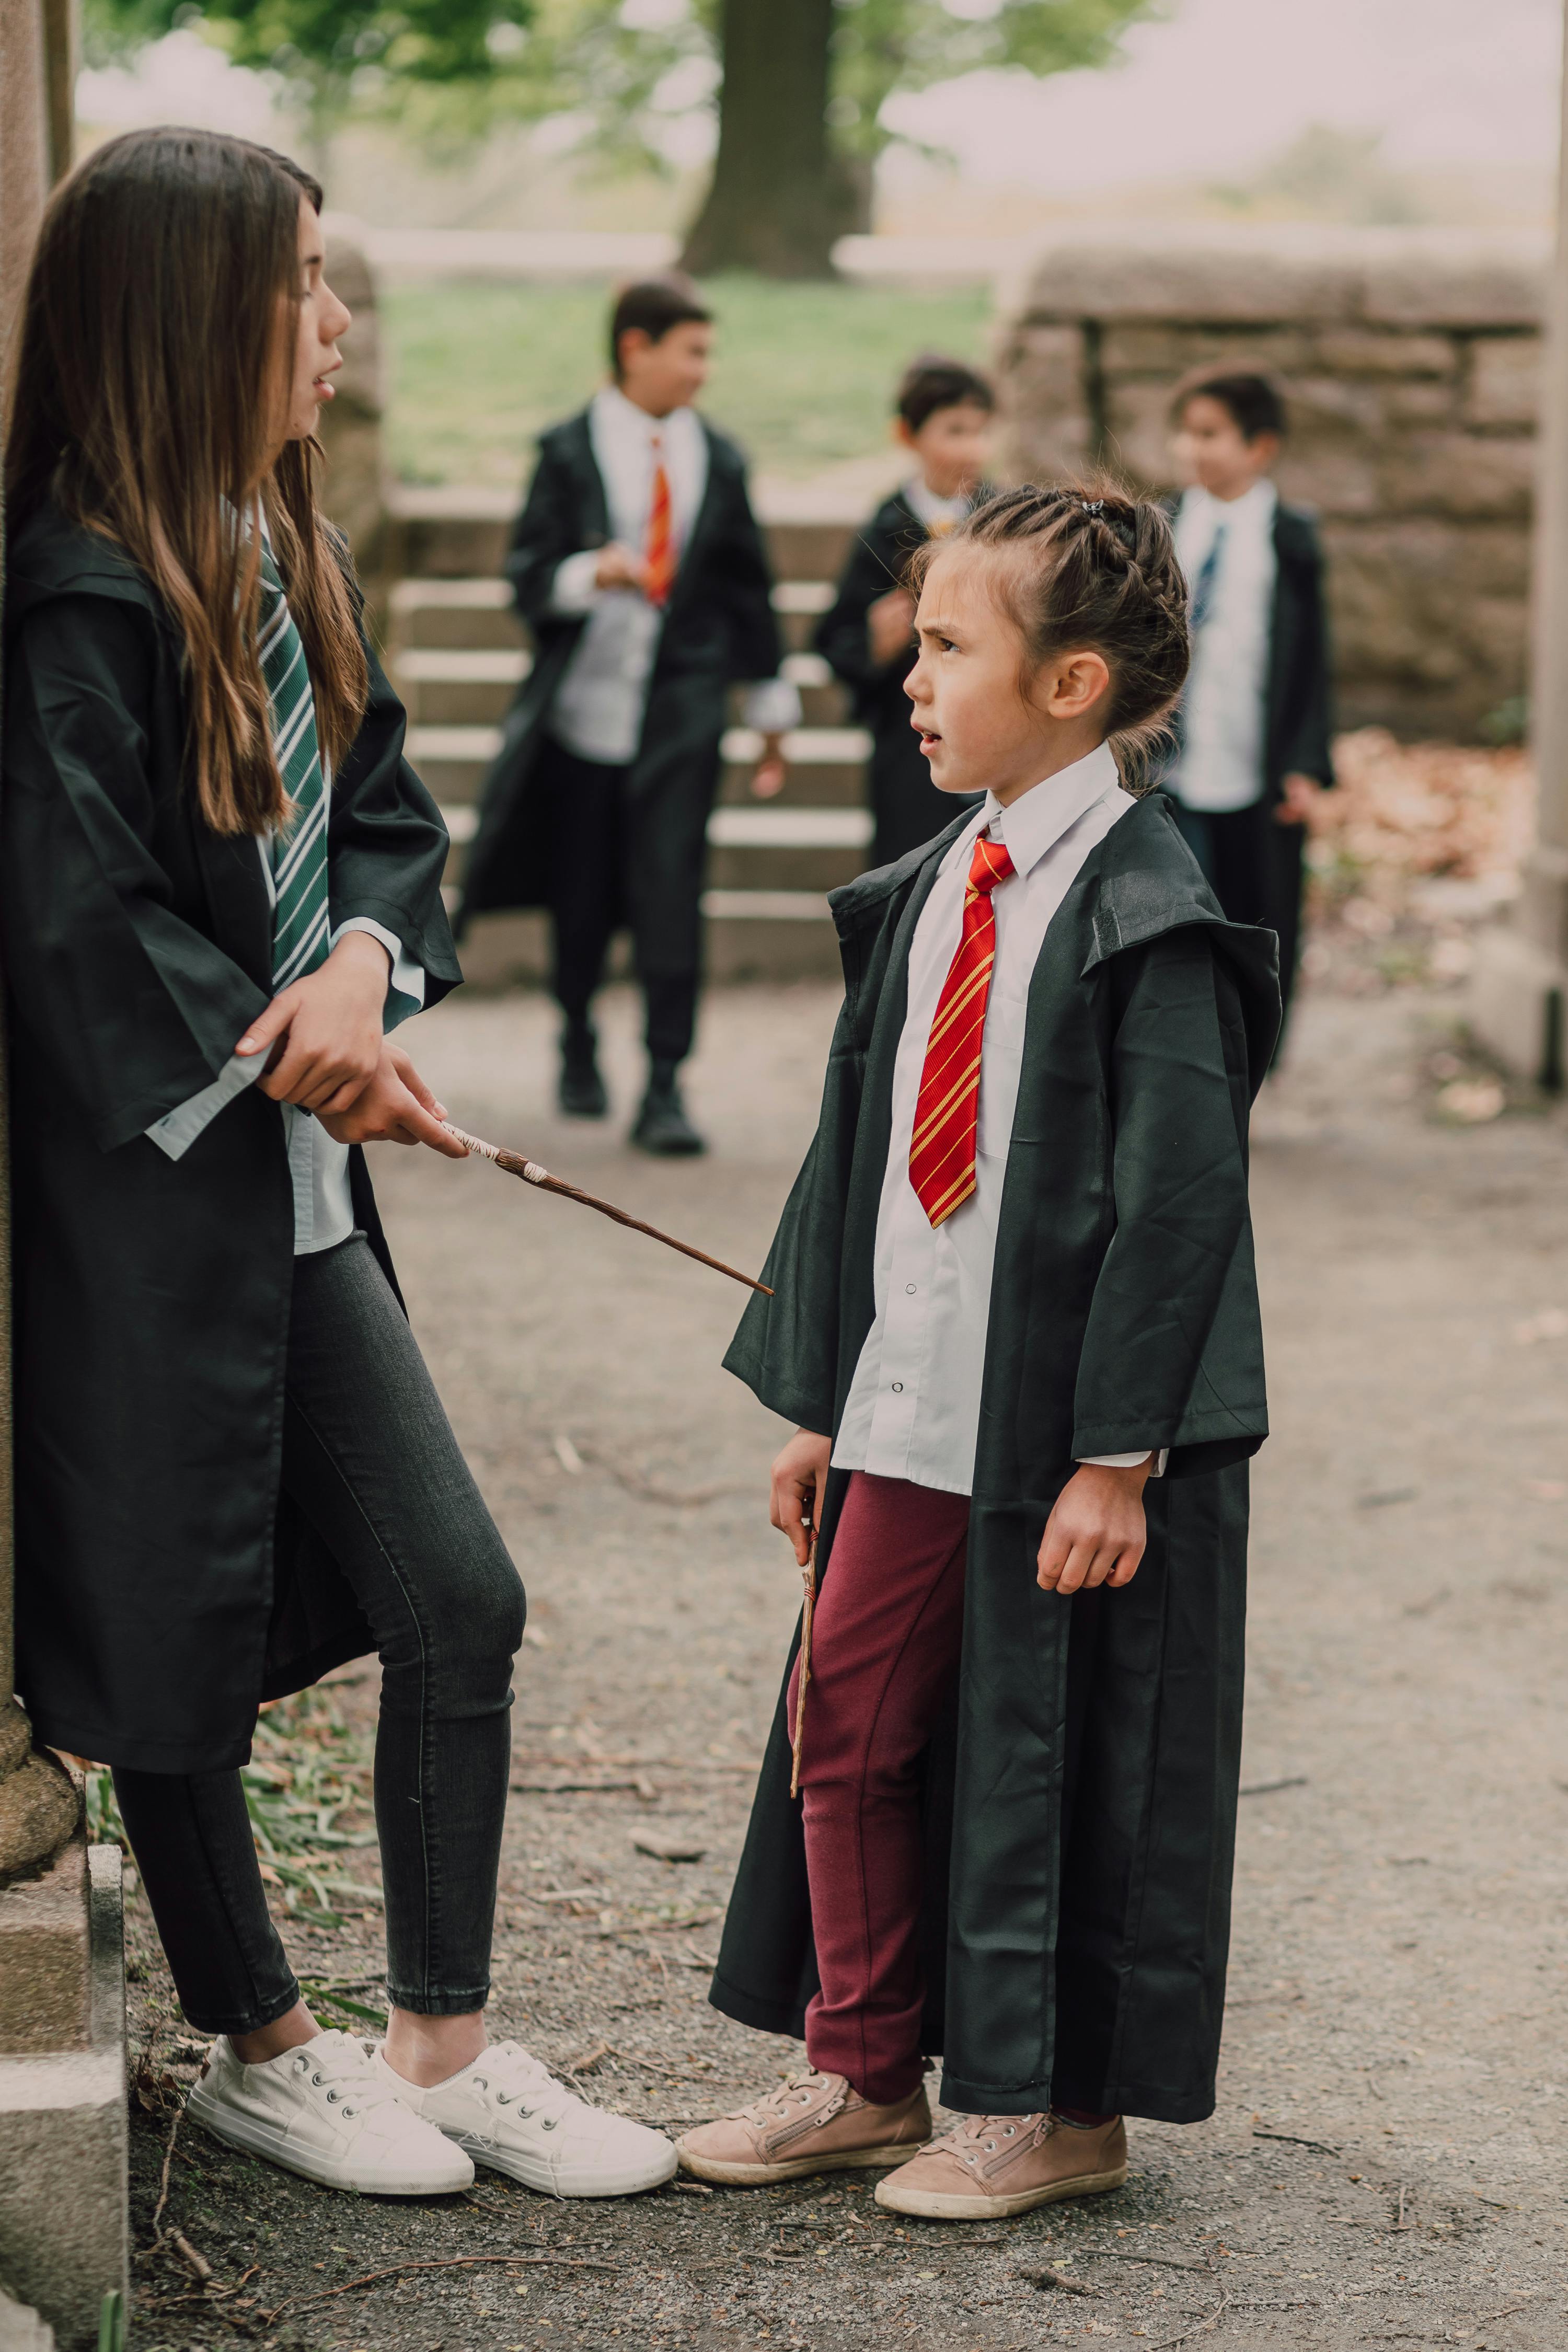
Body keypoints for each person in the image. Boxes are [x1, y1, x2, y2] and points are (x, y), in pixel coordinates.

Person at [1, 128, 675, 2204]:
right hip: (149, 1209)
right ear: (193, 307)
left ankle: (448, 2043)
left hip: (292, 1198)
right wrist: (273, 1038)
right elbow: (71, 905)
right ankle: (258, 2043)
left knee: (457, 1597)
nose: (337, 323)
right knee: (173, 1617)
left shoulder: (285, 550)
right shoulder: (74, 594)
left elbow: (383, 818)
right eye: (304, 280)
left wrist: (367, 971)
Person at [674, 483, 1279, 2218]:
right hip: (912, 1408)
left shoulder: (1143, 911)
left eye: (951, 646)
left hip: (1056, 1436)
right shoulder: (946, 882)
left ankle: (1048, 2116)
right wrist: (823, 1401)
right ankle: (862, 2066)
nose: (914, 677)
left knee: (1048, 1753)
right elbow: (860, 1155)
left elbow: (1181, 1210)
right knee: (844, 1725)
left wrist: (1121, 1456)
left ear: (1074, 682)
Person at [457, 276, 800, 1153]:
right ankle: (576, 1037)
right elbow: (526, 574)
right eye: (691, 350)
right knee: (583, 889)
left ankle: (665, 1083)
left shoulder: (718, 459)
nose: (703, 371)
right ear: (634, 348)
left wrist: (768, 702)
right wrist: (585, 573)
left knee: (670, 889)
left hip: (680, 709)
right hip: (581, 712)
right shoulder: (568, 448)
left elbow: (744, 586)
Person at [1161, 366, 1334, 1047]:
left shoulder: (1287, 538)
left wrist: (1305, 763)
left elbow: (1313, 662)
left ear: (1260, 447)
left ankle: (1248, 1053)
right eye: (1186, 432)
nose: (1192, 448)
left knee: (1254, 911)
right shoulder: (1168, 524)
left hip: (1253, 763)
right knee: (1181, 915)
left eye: (1211, 434)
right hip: (1174, 764)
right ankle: (1181, 1054)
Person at [815, 356, 993, 869]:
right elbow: (835, 638)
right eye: (954, 431)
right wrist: (874, 645)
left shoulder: (1006, 523)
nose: (971, 450)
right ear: (908, 435)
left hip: (992, 733)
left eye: (980, 432)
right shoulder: (884, 529)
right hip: (909, 743)